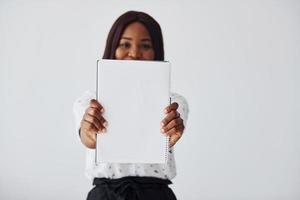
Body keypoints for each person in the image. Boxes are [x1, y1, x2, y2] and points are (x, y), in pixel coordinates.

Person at [73, 11, 189, 200]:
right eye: (125, 44)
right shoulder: (89, 101)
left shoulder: (174, 102)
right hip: (106, 195)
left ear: (156, 51)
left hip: (156, 194)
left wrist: (171, 134)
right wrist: (90, 133)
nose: (135, 53)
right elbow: (88, 138)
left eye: (145, 45)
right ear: (113, 48)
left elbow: (170, 135)